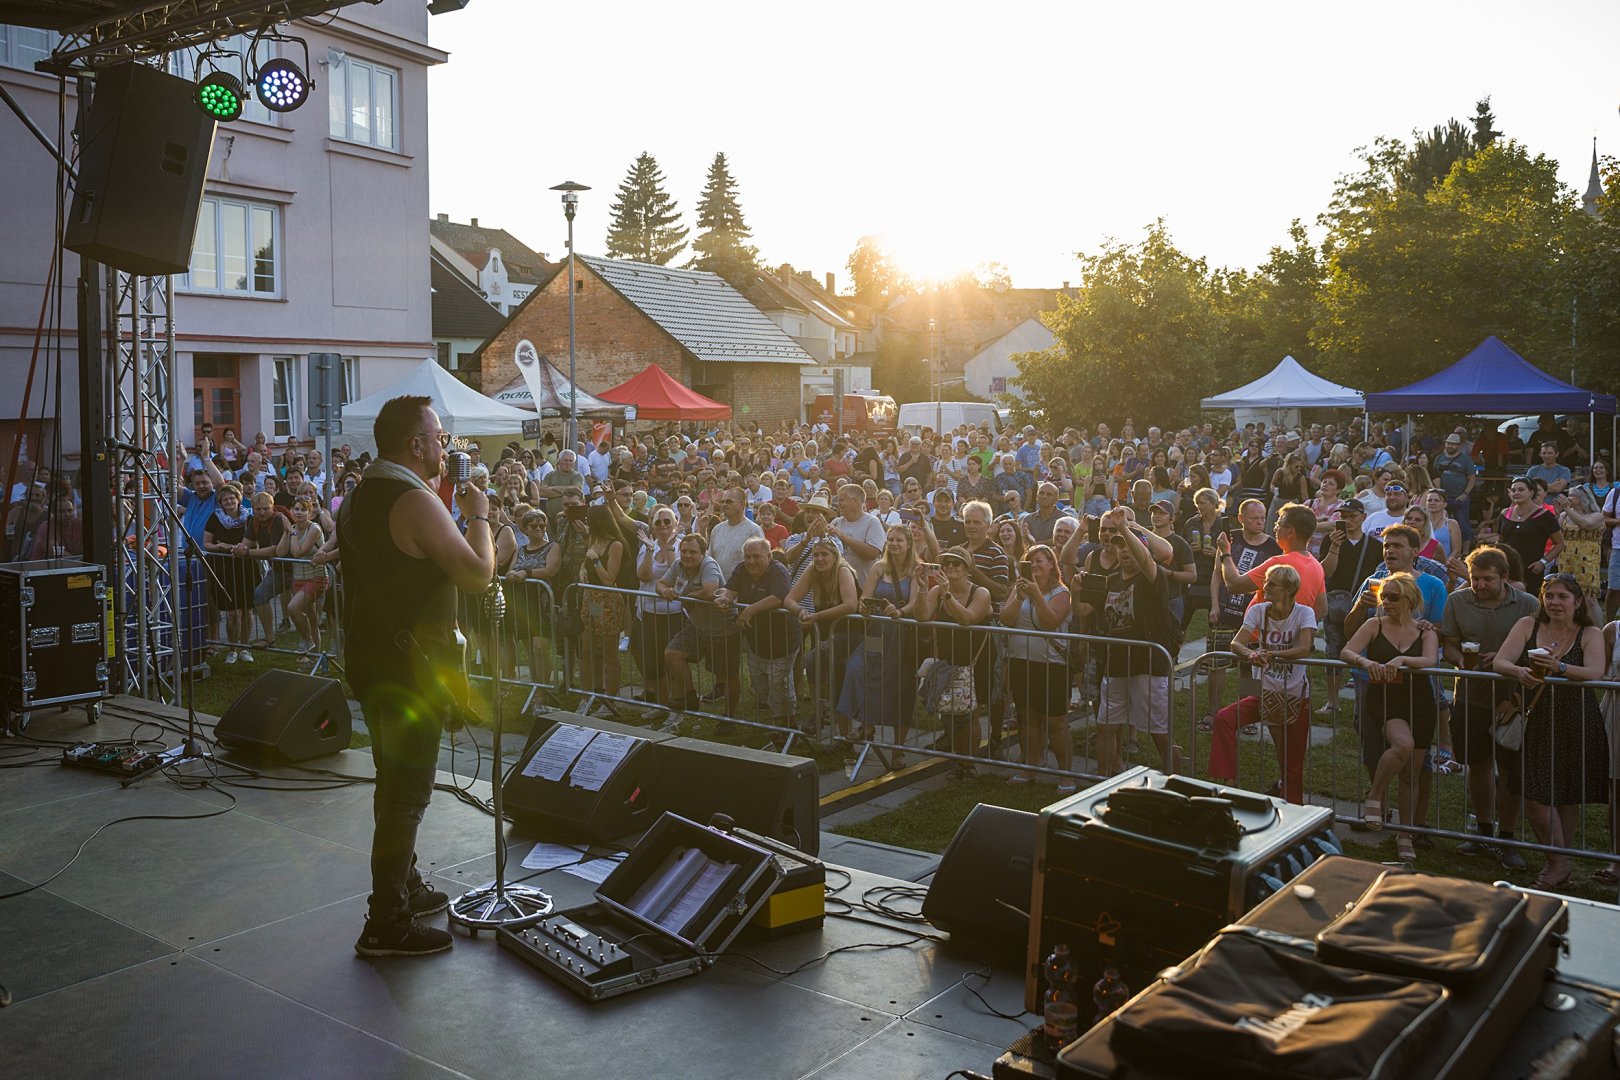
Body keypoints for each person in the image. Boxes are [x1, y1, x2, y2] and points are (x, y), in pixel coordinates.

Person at [340, 395, 494, 957]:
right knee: (407, 793)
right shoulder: (414, 501)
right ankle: (386, 921)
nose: (445, 446)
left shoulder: (357, 496)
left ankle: (403, 882)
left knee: (391, 781)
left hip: (371, 659)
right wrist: (480, 516)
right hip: (410, 669)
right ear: (416, 444)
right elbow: (477, 574)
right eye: (439, 437)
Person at [1493, 574, 1610, 890]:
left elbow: (1595, 671)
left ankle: (1558, 865)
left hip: (1576, 719)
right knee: (1534, 796)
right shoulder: (1528, 626)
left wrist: (1559, 668)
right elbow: (1501, 661)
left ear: (1577, 602)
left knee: (1566, 796)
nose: (1555, 603)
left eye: (1562, 597)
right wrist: (1519, 671)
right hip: (1536, 718)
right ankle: (1558, 863)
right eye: (1550, 596)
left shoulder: (1589, 632)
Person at [1441, 545, 1540, 870]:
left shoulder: (1528, 604)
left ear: (1505, 577)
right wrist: (1461, 661)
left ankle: (1507, 839)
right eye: (1475, 579)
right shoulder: (1456, 600)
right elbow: (1449, 645)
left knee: (1511, 770)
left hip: (1514, 700)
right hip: (1470, 695)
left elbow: (1537, 650)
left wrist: (1505, 657)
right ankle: (1483, 830)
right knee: (1478, 764)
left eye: (1487, 579)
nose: (1480, 585)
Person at [1073, 507, 1180, 776]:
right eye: (1120, 547)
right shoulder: (1111, 581)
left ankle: (1175, 779)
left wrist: (1123, 527)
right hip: (1116, 664)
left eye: (1129, 547)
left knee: (1158, 732)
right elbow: (1083, 611)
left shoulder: (1152, 577)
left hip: (1148, 666)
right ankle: (1106, 777)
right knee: (1105, 726)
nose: (1124, 551)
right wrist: (1075, 592)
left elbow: (1147, 560)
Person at [1341, 572, 1439, 864]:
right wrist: (1365, 661)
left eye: (1393, 597)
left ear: (1410, 599)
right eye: (1383, 596)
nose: (1386, 602)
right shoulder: (1375, 624)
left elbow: (1431, 660)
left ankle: (1405, 834)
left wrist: (1403, 659)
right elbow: (1347, 651)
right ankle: (1375, 795)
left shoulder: (1425, 630)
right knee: (1402, 744)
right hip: (1385, 699)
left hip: (1420, 701)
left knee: (1411, 774)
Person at [1208, 563, 1317, 803]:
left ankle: (1293, 808)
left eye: (1271, 583)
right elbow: (1236, 643)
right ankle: (1228, 781)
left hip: (1295, 696)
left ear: (1288, 589)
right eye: (1265, 581)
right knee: (1224, 719)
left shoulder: (1304, 613)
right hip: (1264, 693)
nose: (1265, 586)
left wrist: (1272, 654)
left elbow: (1304, 647)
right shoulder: (1258, 610)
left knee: (1292, 761)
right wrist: (1251, 654)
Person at [838, 523, 928, 765]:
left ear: (909, 544)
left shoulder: (917, 569)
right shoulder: (879, 567)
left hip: (902, 635)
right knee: (858, 670)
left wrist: (899, 612)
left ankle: (898, 749)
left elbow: (914, 602)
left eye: (899, 540)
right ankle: (866, 726)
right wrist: (865, 607)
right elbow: (865, 598)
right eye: (891, 540)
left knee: (900, 688)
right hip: (876, 633)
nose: (895, 544)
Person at [1001, 543, 1076, 789]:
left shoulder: (1061, 593)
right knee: (1028, 718)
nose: (1034, 566)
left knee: (1056, 723)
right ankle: (1032, 767)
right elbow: (1006, 618)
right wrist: (1019, 596)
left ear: (1051, 565)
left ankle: (1066, 775)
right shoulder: (1019, 589)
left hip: (1052, 666)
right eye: (1030, 562)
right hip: (1022, 662)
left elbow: (1050, 622)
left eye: (1039, 561)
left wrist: (1035, 595)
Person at [921, 546, 993, 780]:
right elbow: (921, 616)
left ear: (967, 568)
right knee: (950, 713)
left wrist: (947, 595)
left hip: (975, 659)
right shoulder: (936, 591)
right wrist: (921, 589)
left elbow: (967, 618)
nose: (950, 567)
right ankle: (958, 761)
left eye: (956, 563)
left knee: (970, 714)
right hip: (948, 660)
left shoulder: (980, 592)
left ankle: (969, 764)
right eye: (946, 563)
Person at [786, 538, 861, 741]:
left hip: (852, 633)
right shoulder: (812, 570)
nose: (819, 559)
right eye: (816, 555)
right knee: (832, 673)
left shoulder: (842, 571)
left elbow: (850, 605)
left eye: (824, 554)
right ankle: (827, 718)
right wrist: (800, 611)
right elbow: (789, 598)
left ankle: (820, 714)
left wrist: (816, 616)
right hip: (829, 635)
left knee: (814, 659)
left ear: (835, 556)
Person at [660, 533, 742, 716]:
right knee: (672, 653)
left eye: (692, 552)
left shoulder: (709, 564)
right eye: (684, 551)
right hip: (697, 626)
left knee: (728, 675)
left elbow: (709, 592)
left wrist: (685, 595)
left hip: (724, 629)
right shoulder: (678, 565)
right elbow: (661, 584)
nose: (687, 555)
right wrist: (666, 591)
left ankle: (729, 718)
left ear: (703, 553)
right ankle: (690, 696)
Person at [728, 537, 797, 731]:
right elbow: (730, 589)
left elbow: (779, 596)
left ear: (768, 556)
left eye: (756, 557)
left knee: (780, 684)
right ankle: (772, 719)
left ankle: (787, 726)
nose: (750, 561)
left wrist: (749, 610)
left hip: (782, 640)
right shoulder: (742, 568)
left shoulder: (778, 571)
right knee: (760, 684)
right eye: (747, 556)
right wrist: (724, 598)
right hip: (755, 639)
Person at [577, 505, 627, 711]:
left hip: (608, 601)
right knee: (588, 650)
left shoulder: (616, 545)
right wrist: (582, 569)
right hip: (591, 599)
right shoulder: (593, 540)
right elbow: (585, 561)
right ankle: (586, 696)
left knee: (609, 653)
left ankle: (610, 699)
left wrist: (596, 561)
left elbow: (609, 579)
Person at [506, 509, 559, 688]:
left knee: (540, 648)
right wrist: (512, 574)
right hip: (523, 603)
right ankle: (537, 688)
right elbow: (511, 570)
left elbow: (550, 570)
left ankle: (544, 690)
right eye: (534, 526)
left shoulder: (552, 547)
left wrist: (526, 573)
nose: (538, 529)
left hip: (542, 604)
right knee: (530, 650)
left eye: (542, 526)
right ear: (525, 528)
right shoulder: (520, 549)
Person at [1499, 476, 1563, 597]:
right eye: (1513, 490)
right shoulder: (1505, 513)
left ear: (1531, 493)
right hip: (1506, 567)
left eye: (1521, 490)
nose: (1516, 493)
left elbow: (1560, 544)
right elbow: (1500, 541)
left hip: (1531, 568)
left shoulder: (1545, 515)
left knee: (1529, 601)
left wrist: (1543, 562)